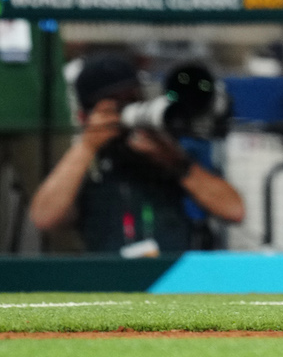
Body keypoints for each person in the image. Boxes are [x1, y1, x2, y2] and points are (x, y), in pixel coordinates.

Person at [29, 53, 244, 251]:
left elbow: (234, 211)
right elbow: (44, 218)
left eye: (132, 100)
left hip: (172, 279)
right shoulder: (85, 165)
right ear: (86, 116)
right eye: (115, 106)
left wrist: (176, 163)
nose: (126, 111)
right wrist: (88, 145)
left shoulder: (168, 152)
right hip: (111, 283)